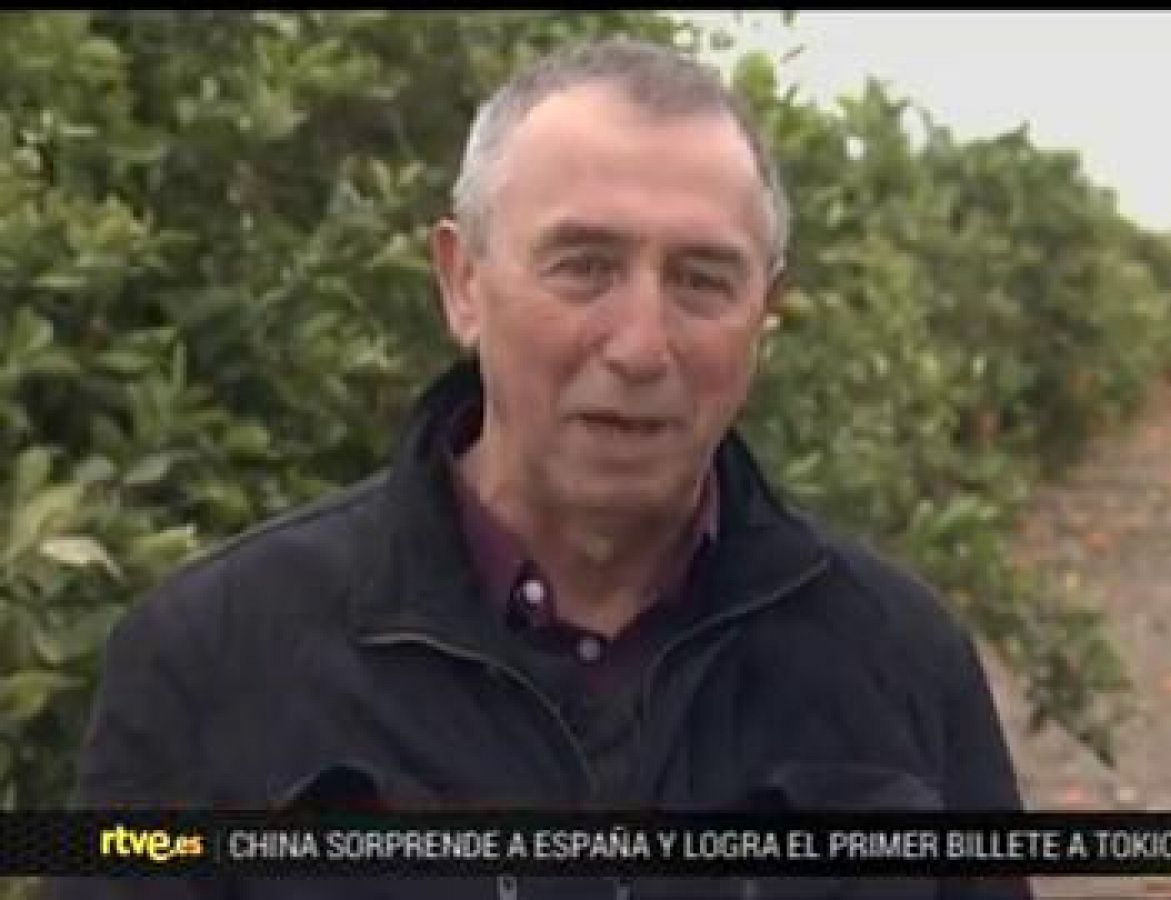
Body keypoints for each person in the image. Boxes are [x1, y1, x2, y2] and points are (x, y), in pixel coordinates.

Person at [59, 35, 1029, 900]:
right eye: (583, 265)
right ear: (463, 282)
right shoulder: (211, 657)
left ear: (762, 316)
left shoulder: (897, 657)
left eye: (702, 280)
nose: (642, 344)